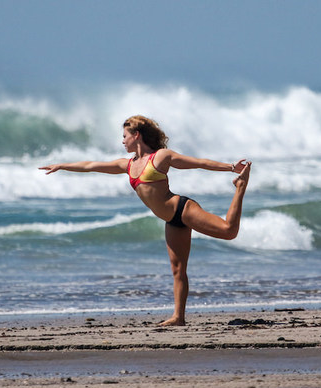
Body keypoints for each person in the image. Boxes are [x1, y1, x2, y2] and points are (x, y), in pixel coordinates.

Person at [40, 115, 251, 326]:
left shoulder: (160, 157)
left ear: (136, 135)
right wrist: (62, 166)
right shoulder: (127, 165)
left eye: (125, 136)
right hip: (171, 221)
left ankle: (240, 187)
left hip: (182, 209)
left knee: (229, 231)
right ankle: (179, 317)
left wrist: (231, 167)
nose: (122, 141)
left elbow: (198, 163)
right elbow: (92, 165)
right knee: (178, 270)